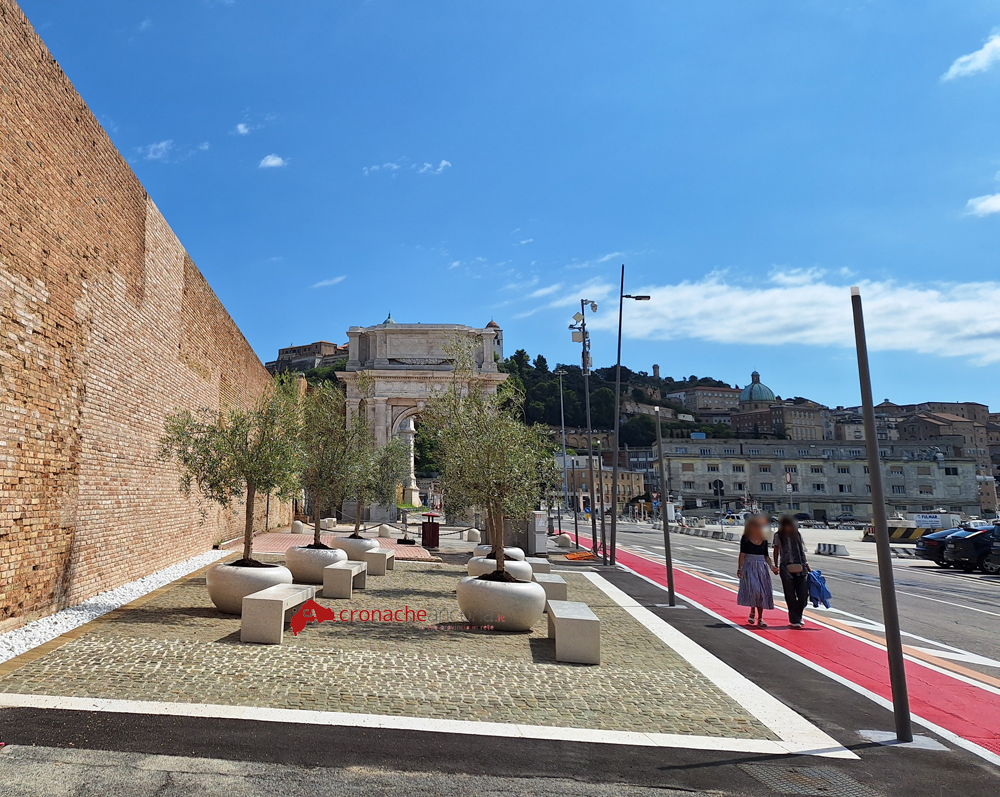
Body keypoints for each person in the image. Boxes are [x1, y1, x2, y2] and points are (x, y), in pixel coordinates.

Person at [737, 514, 778, 627]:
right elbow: (742, 554)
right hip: (749, 566)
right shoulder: (745, 539)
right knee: (754, 590)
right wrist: (740, 568)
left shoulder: (764, 540)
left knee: (762, 593)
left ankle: (760, 618)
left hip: (762, 567)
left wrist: (772, 566)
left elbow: (766, 556)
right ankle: (752, 610)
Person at [773, 515, 811, 628]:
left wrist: (807, 564)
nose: (788, 528)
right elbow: (776, 550)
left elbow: (802, 551)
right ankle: (795, 619)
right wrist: (776, 565)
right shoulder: (778, 536)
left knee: (803, 594)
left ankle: (799, 614)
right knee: (790, 594)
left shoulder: (797, 535)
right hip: (785, 567)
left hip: (800, 566)